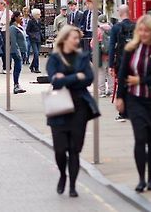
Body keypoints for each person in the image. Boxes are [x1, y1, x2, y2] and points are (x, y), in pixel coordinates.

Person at [115, 14, 151, 193]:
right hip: (135, 100)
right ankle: (141, 179)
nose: (143, 33)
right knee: (140, 138)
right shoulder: (131, 49)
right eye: (140, 30)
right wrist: (120, 97)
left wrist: (141, 80)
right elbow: (123, 74)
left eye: (147, 30)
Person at [46, 25, 94, 198]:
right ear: (65, 39)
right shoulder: (55, 58)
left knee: (74, 149)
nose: (77, 41)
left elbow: (89, 79)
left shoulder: (82, 57)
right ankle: (62, 175)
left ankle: (73, 185)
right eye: (74, 38)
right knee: (60, 149)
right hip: (59, 105)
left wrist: (65, 78)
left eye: (78, 38)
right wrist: (76, 77)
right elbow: (54, 81)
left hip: (79, 107)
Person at [108, 5, 135, 122]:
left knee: (122, 85)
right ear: (129, 12)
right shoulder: (136, 26)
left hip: (121, 61)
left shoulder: (115, 28)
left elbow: (111, 47)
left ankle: (123, 112)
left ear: (119, 13)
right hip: (134, 61)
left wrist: (110, 65)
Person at [9, 11, 27, 94]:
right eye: (20, 16)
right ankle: (16, 85)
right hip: (16, 51)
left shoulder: (19, 26)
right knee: (17, 68)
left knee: (19, 68)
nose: (21, 17)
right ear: (15, 17)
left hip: (21, 50)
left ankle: (17, 85)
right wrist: (17, 51)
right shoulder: (13, 28)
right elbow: (13, 41)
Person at [97, 14, 113, 98]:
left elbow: (92, 44)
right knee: (110, 73)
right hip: (110, 55)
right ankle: (111, 90)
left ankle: (102, 91)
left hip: (101, 56)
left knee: (101, 73)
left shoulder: (98, 30)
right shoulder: (112, 29)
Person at [0, 0, 12, 73]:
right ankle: (4, 66)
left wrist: (1, 23)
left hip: (6, 31)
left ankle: (8, 67)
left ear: (2, 4)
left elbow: (8, 21)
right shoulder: (0, 13)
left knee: (6, 49)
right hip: (1, 31)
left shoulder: (8, 12)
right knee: (2, 49)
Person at [26, 8, 42, 73]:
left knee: (37, 53)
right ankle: (36, 67)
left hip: (38, 38)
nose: (40, 15)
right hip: (33, 39)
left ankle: (32, 66)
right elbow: (27, 31)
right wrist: (32, 35)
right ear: (35, 15)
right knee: (36, 53)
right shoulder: (30, 21)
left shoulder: (39, 21)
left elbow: (39, 29)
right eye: (38, 14)